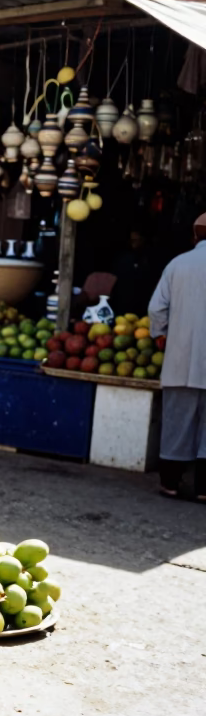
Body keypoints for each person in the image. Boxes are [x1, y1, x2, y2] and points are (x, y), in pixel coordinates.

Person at [148, 212, 206, 501]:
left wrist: (161, 336)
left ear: (195, 236)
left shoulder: (178, 264)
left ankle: (170, 483)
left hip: (180, 361)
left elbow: (157, 309)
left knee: (177, 424)